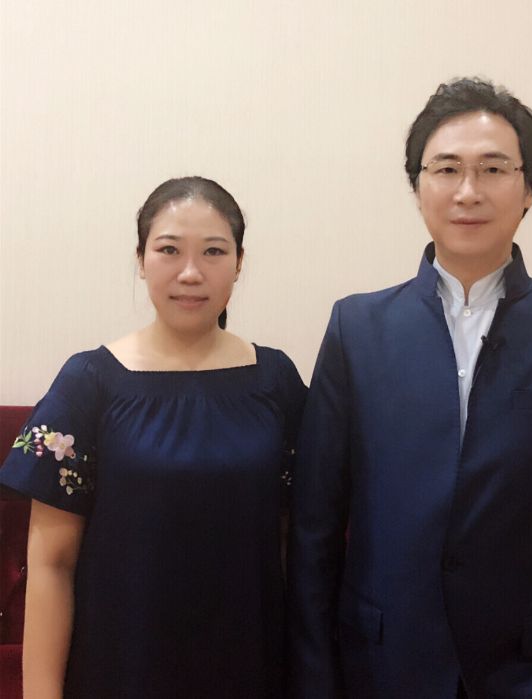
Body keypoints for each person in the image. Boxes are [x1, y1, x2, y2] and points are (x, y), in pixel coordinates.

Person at [288, 79, 532, 699]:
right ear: (417, 187)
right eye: (446, 169)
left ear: (529, 189)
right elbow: (315, 527)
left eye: (493, 168)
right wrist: (318, 679)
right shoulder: (357, 329)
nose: (468, 191)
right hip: (382, 666)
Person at [0, 176, 306, 698]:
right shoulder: (89, 382)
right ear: (141, 259)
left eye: (214, 251)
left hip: (248, 664)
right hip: (120, 667)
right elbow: (51, 564)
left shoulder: (275, 381)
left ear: (239, 262)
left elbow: (293, 545)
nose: (191, 272)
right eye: (169, 250)